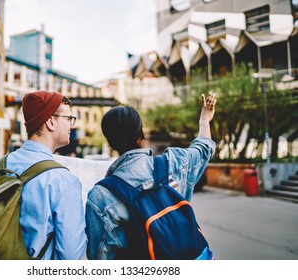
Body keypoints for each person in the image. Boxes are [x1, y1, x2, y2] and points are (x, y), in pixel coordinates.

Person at [85, 92, 217, 260]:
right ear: (142, 134)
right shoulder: (174, 161)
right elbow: (203, 147)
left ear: (110, 143)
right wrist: (204, 120)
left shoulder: (101, 196)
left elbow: (100, 258)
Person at [0, 90, 87, 260]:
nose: (72, 125)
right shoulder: (63, 182)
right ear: (50, 121)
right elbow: (71, 257)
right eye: (68, 118)